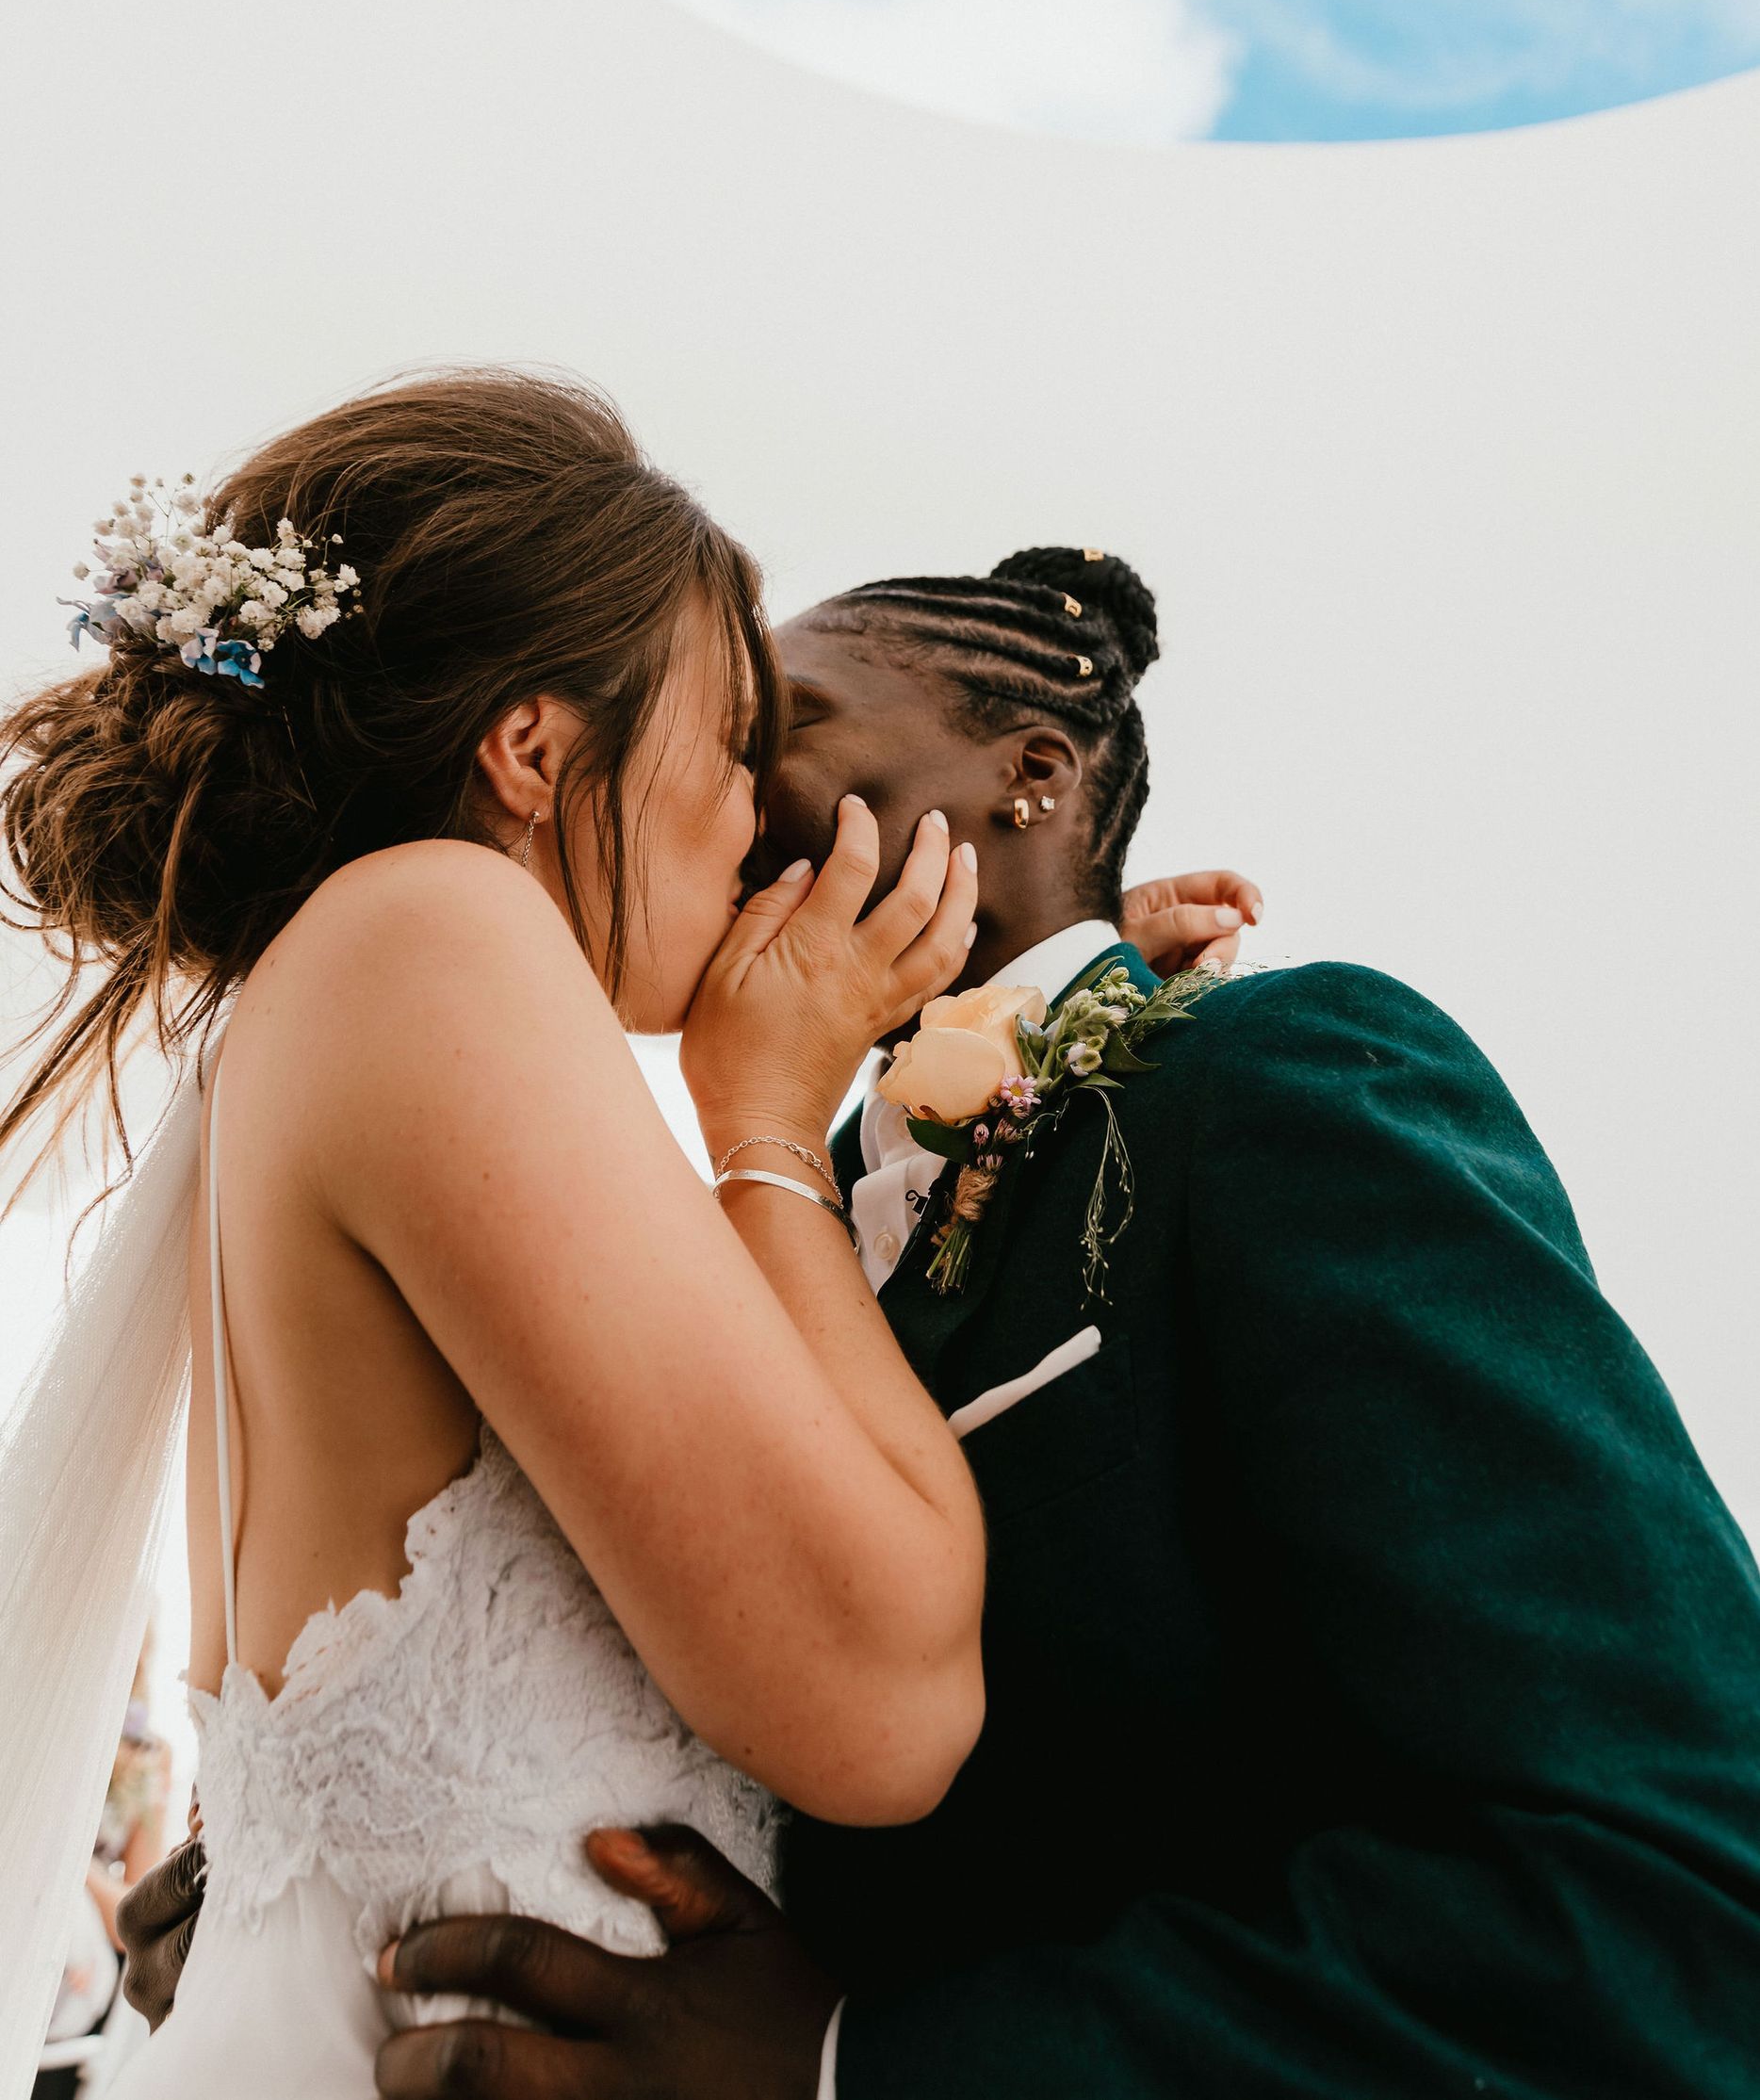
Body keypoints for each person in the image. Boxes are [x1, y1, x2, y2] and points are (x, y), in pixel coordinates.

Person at [231, 547, 1758, 2097]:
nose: (729, 786)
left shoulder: (1274, 1079)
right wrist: (317, 1899)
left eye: (781, 724)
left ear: (1028, 774)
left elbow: (1666, 1886)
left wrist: (855, 2064)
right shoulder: (768, 1207)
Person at [0, 368, 1231, 2095]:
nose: (756, 810)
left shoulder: (352, 991)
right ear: (533, 748)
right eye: (731, 738)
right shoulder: (430, 929)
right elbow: (882, 1705)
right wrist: (763, 1115)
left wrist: (1018, 1003)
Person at [33, 1643, 168, 2098]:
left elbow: (136, 1920)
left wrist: (71, 1865)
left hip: (75, 1989)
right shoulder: (37, 1717)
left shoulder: (150, 1754)